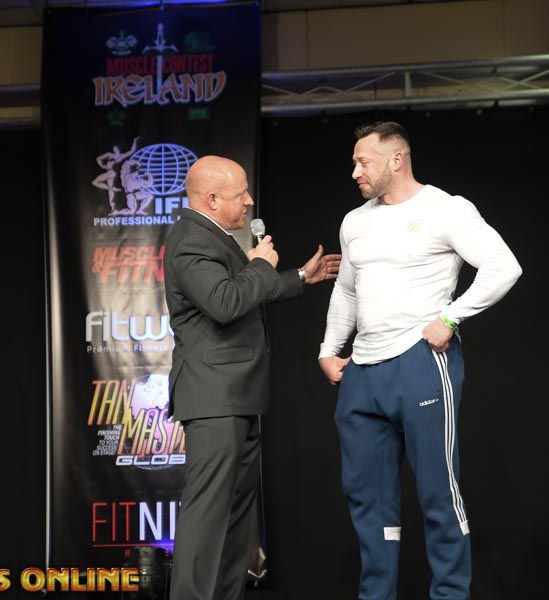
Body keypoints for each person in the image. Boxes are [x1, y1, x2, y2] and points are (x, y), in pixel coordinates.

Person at [318, 122, 522, 600]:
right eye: (354, 162)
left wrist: (451, 317)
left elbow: (504, 266)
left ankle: (450, 595)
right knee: (368, 501)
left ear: (397, 159)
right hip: (362, 371)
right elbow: (346, 291)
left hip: (420, 361)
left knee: (437, 493)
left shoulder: (446, 209)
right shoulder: (354, 221)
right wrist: (328, 350)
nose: (355, 172)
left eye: (363, 162)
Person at [164, 155, 340, 600]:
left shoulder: (214, 236)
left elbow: (244, 293)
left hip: (237, 396)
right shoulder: (190, 240)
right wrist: (259, 263)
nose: (249, 201)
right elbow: (224, 302)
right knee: (208, 516)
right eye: (240, 193)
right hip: (214, 398)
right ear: (212, 199)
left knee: (234, 518)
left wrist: (299, 277)